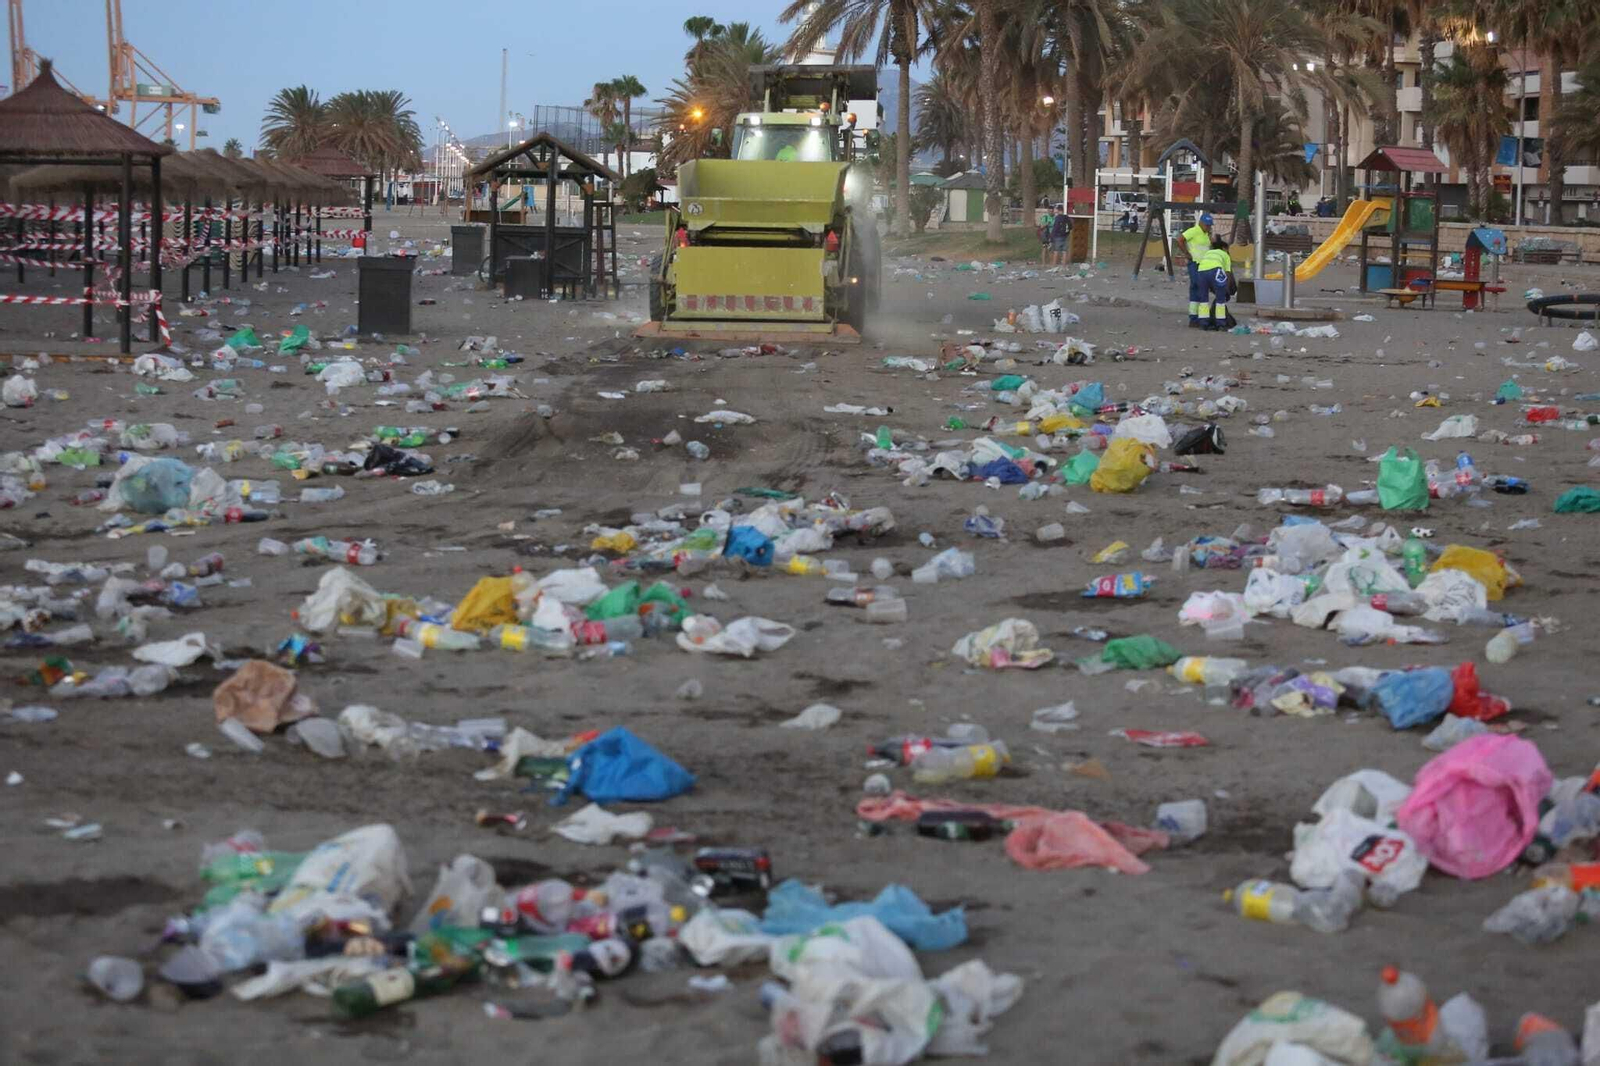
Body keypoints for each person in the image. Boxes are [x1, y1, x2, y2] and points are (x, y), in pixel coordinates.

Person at [1181, 212, 1214, 327]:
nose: (1208, 227)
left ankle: (1197, 317)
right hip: (1195, 263)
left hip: (1204, 265)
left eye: (1210, 225)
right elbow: (1180, 239)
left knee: (1200, 288)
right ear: (1201, 223)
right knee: (1197, 285)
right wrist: (1186, 253)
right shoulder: (1194, 231)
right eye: (1207, 225)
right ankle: (1195, 317)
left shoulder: (1206, 235)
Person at [1195, 241, 1236, 331]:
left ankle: (1203, 324)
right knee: (1220, 300)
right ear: (1224, 248)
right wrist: (1227, 289)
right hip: (1216, 270)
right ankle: (1220, 324)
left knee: (1203, 300)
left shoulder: (1207, 253)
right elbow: (1228, 274)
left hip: (1201, 272)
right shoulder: (1225, 254)